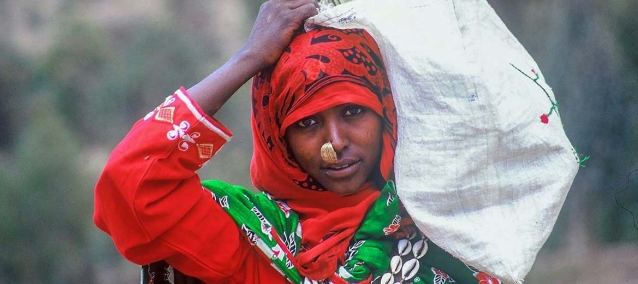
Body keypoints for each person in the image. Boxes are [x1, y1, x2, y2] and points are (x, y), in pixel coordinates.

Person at [93, 1, 503, 283]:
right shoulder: (257, 244)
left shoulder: (448, 221)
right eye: (307, 123)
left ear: (387, 113)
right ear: (279, 141)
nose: (335, 143)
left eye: (353, 112)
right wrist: (249, 58)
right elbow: (130, 187)